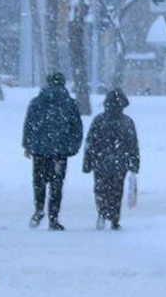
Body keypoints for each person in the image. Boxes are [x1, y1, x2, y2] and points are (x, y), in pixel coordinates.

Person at [22, 72, 83, 230]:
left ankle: (39, 209)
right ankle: (53, 218)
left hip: (40, 151)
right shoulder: (70, 104)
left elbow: (29, 124)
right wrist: (73, 147)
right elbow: (77, 128)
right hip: (60, 153)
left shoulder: (36, 102)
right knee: (57, 186)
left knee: (39, 183)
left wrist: (27, 145)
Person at [81, 88, 140, 231]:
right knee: (116, 191)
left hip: (100, 162)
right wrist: (134, 163)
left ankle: (101, 212)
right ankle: (114, 218)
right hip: (120, 163)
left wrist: (87, 162)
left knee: (100, 189)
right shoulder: (127, 122)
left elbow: (90, 143)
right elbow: (133, 144)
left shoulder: (99, 120)